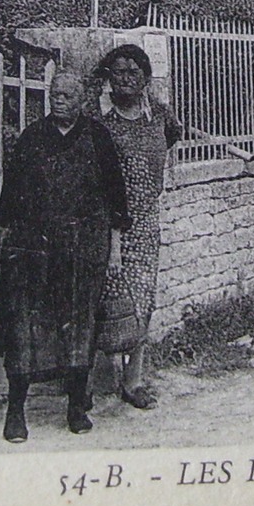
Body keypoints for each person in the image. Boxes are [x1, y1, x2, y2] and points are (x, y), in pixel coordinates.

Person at [0, 72, 129, 443]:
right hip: (35, 246)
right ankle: (16, 411)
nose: (58, 100)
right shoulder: (33, 137)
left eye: (66, 94)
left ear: (81, 99)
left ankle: (76, 406)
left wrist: (113, 248)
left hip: (85, 247)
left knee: (80, 324)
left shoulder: (98, 137)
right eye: (54, 94)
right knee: (24, 327)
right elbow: (12, 191)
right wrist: (1, 239)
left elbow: (116, 196)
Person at [93, 44, 182, 410]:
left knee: (142, 299)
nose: (125, 79)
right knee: (106, 299)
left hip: (145, 224)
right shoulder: (98, 119)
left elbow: (173, 137)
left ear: (146, 79)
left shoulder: (160, 116)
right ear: (108, 79)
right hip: (104, 222)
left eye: (133, 72)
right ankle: (98, 378)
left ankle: (134, 380)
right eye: (118, 72)